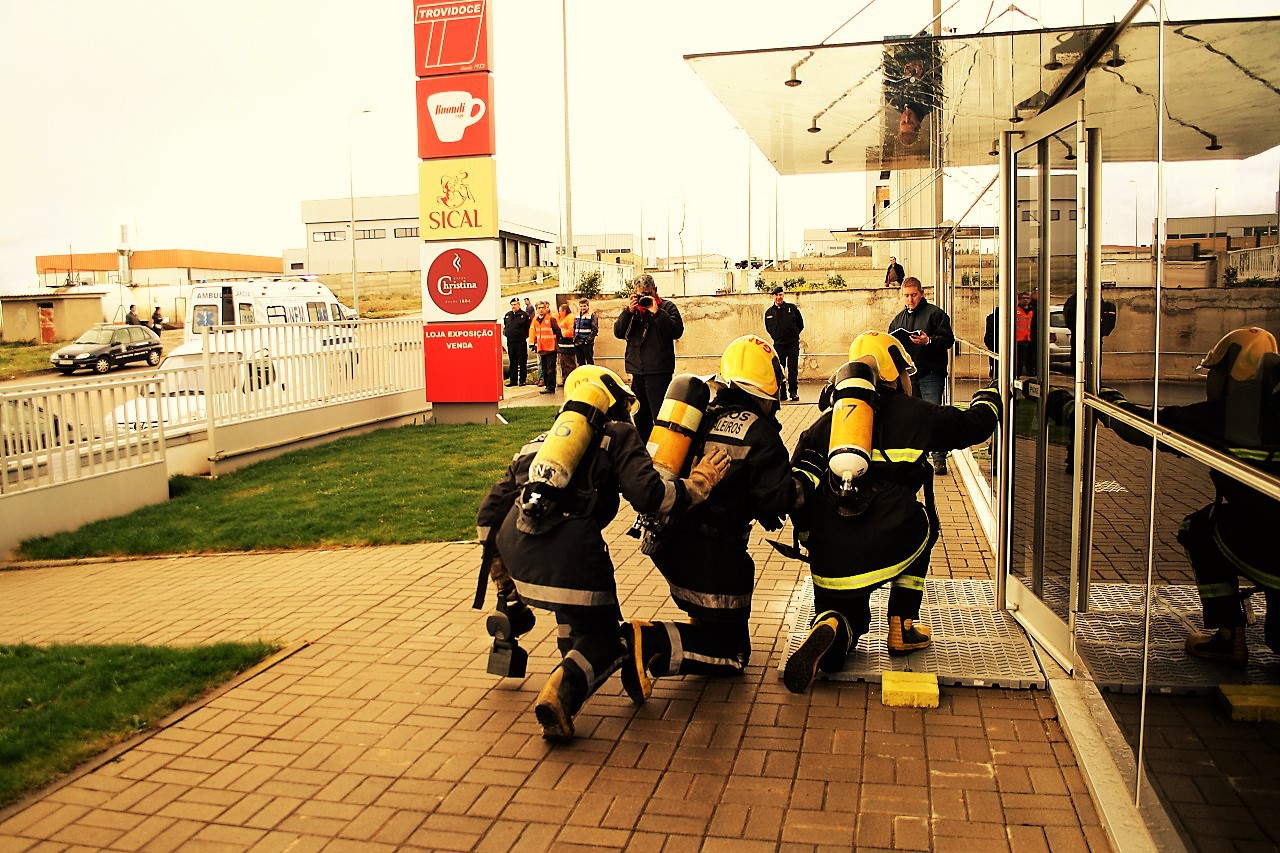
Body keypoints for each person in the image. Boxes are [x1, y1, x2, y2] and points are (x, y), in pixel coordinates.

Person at [475, 366, 730, 740]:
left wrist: (504, 580)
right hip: (572, 555)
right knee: (607, 638)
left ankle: (573, 664)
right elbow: (651, 497)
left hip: (516, 551)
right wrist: (699, 484)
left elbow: (488, 511)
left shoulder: (540, 443)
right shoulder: (618, 435)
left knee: (579, 617)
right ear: (614, 401)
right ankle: (562, 694)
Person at [1045, 327, 1279, 666]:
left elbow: (1149, 428)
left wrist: (1107, 404)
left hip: (1270, 543)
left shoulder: (1235, 416)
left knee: (1200, 529)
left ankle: (1229, 636)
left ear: (1233, 371)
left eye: (1214, 372)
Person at [782, 331, 1001, 693]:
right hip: (891, 538)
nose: (907, 379)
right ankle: (902, 624)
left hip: (831, 559)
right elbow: (973, 426)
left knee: (844, 621)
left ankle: (831, 627)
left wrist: (809, 541)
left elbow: (798, 490)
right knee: (924, 524)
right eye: (904, 372)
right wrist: (990, 396)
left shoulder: (826, 424)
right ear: (891, 372)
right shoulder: (915, 414)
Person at [621, 336, 795, 701]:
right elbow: (775, 503)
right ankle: (647, 641)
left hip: (667, 539)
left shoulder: (699, 414)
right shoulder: (762, 434)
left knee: (713, 622)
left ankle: (694, 628)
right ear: (770, 385)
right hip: (711, 557)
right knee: (733, 655)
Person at [888, 277, 955, 474]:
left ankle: (939, 458)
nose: (910, 299)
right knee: (914, 418)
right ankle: (918, 457)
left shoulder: (935, 314)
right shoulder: (898, 319)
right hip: (910, 377)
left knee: (934, 415)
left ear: (922, 293)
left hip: (931, 374)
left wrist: (929, 341)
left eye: (914, 295)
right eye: (906, 296)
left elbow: (948, 339)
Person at [613, 274, 684, 440]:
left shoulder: (667, 307)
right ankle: (645, 452)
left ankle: (663, 451)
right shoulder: (633, 312)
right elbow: (618, 332)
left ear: (655, 291)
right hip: (637, 371)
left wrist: (657, 313)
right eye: (641, 294)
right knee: (640, 418)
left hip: (659, 372)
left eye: (648, 293)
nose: (645, 297)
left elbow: (676, 331)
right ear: (634, 293)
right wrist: (629, 311)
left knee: (661, 417)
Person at [763, 286, 804, 402]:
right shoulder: (769, 312)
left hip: (792, 344)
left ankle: (793, 392)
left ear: (783, 295)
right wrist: (776, 336)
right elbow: (768, 328)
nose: (778, 297)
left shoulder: (792, 308)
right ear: (773, 297)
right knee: (779, 370)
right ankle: (782, 393)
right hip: (779, 345)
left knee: (792, 369)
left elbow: (800, 325)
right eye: (776, 295)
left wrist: (794, 335)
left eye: (780, 295)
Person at [528, 301, 558, 394]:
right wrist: (532, 343)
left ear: (546, 309)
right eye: (539, 308)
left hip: (550, 348)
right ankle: (547, 386)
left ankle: (551, 387)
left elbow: (557, 331)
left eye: (542, 308)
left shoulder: (550, 319)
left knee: (550, 369)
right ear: (536, 310)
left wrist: (557, 344)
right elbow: (533, 332)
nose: (541, 310)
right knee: (544, 369)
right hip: (541, 348)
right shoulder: (535, 320)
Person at [503, 298, 531, 387]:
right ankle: (513, 380)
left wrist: (522, 336)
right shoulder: (508, 315)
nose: (513, 306)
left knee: (522, 361)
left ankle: (522, 380)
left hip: (520, 342)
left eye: (515, 304)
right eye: (512, 305)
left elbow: (528, 328)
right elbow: (506, 327)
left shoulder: (523, 315)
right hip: (510, 342)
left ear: (519, 305)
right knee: (513, 361)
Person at [1013, 291, 1036, 377]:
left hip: (1029, 339)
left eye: (1027, 298)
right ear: (1019, 300)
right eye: (1023, 298)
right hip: (1018, 340)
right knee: (1018, 360)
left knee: (1030, 359)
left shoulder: (1032, 311)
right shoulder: (1015, 310)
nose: (1026, 300)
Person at [555, 303, 577, 386]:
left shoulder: (570, 318)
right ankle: (565, 380)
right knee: (563, 364)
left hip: (568, 346)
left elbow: (571, 331)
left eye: (560, 311)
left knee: (569, 364)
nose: (559, 313)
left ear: (564, 311)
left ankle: (570, 381)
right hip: (563, 346)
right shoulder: (563, 318)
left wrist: (562, 333)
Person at [573, 299, 598, 365]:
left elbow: (595, 329)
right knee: (580, 362)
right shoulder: (577, 315)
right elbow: (574, 327)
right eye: (581, 306)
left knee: (589, 361)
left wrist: (588, 341)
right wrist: (574, 338)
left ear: (588, 306)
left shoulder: (592, 315)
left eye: (584, 306)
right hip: (578, 341)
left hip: (586, 342)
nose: (582, 308)